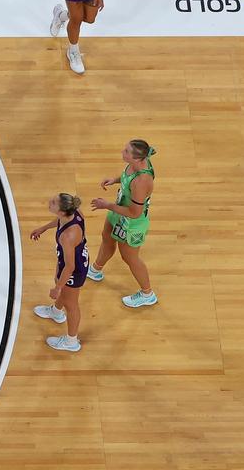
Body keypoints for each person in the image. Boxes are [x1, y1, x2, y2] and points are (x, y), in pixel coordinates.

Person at [88, 139, 158, 308]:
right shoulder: (138, 163)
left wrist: (107, 205)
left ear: (136, 159)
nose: (122, 151)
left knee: (130, 258)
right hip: (119, 211)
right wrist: (115, 180)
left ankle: (147, 294)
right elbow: (127, 177)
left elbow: (135, 213)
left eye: (126, 151)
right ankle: (96, 270)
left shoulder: (142, 181)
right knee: (107, 237)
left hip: (131, 223)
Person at [30, 193, 88, 352]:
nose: (50, 201)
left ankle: (71, 342)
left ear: (62, 211)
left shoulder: (68, 237)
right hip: (72, 259)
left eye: (54, 202)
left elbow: (70, 267)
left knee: (71, 305)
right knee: (59, 282)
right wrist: (43, 228)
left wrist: (58, 288)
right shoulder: (74, 212)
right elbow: (59, 221)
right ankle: (56, 312)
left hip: (73, 270)